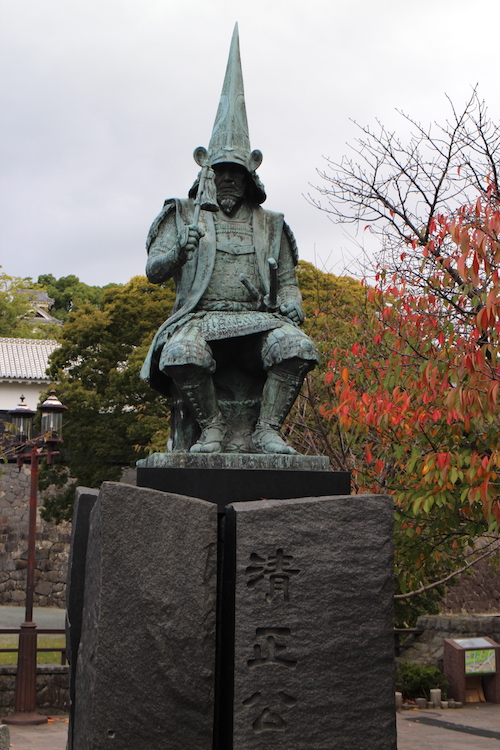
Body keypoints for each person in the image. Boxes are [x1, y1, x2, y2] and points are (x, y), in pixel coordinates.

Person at [141, 26, 319, 454]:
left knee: (298, 346)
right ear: (207, 172)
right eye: (220, 172)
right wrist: (176, 253)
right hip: (199, 319)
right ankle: (213, 428)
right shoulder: (182, 214)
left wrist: (291, 303)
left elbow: (288, 282)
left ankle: (267, 430)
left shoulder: (271, 224)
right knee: (180, 354)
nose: (227, 180)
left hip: (258, 320)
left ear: (249, 176)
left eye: (235, 173)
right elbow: (153, 271)